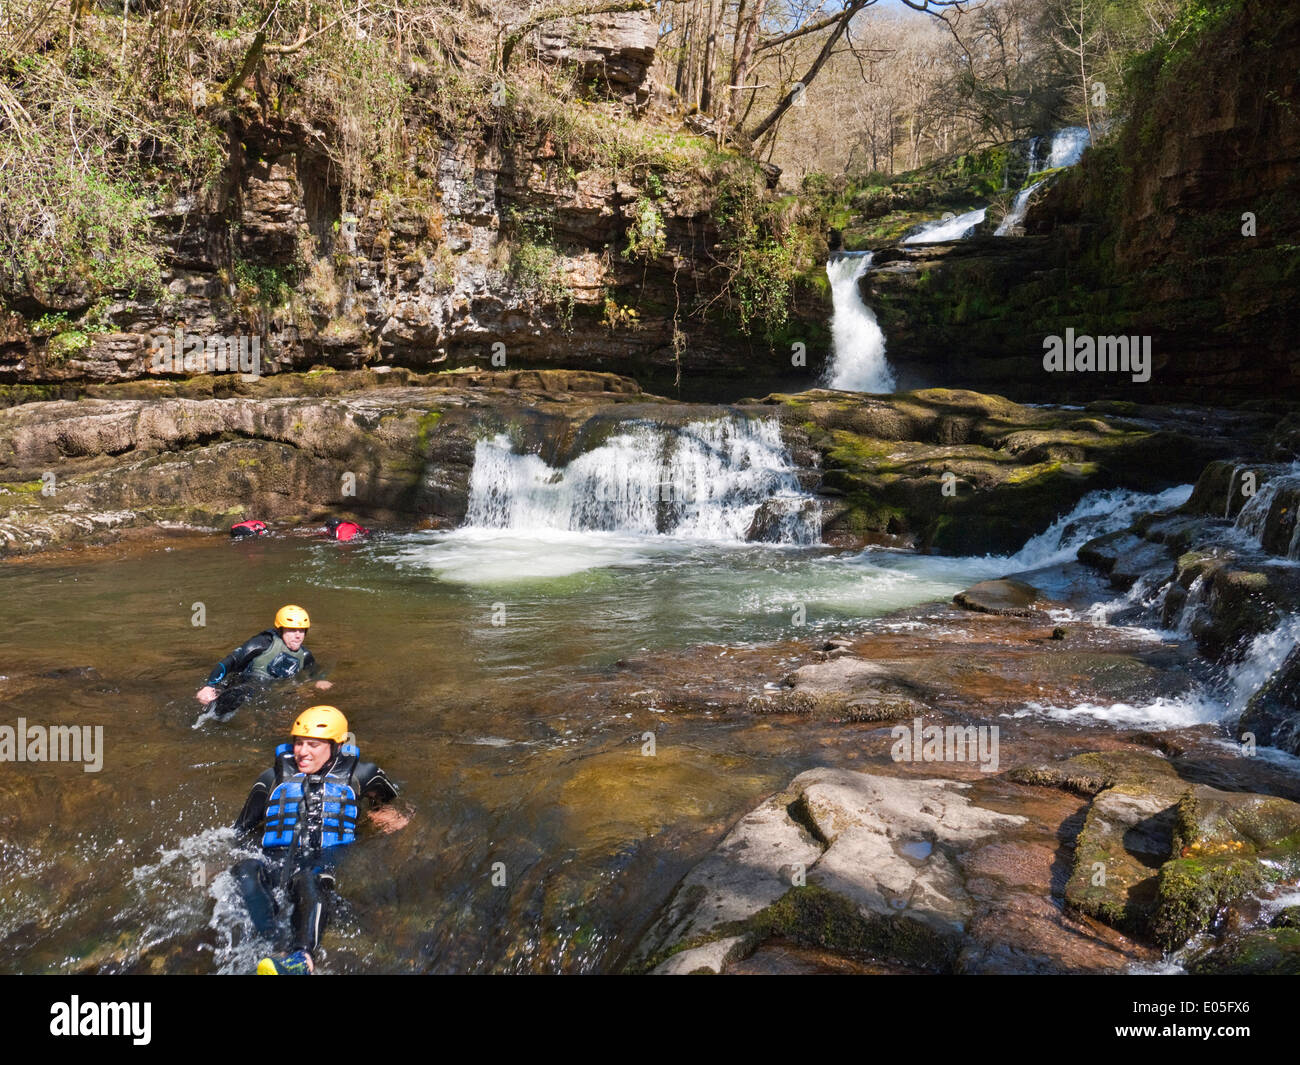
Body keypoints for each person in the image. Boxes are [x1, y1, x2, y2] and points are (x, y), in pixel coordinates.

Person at [230, 706, 408, 975]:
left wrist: (379, 813)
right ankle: (276, 948)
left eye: (313, 744)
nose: (302, 751)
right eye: (298, 743)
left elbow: (394, 801)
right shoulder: (271, 779)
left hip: (325, 857)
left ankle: (302, 960)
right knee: (243, 870)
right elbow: (241, 830)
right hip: (277, 856)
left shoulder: (362, 775)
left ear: (335, 746)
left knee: (308, 878)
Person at [195, 605, 332, 719]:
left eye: (301, 630)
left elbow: (315, 673)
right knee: (234, 696)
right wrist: (210, 685)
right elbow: (229, 662)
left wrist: (319, 680)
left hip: (273, 694)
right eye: (291, 630)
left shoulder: (305, 655)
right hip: (246, 686)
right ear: (281, 629)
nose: (298, 635)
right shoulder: (262, 643)